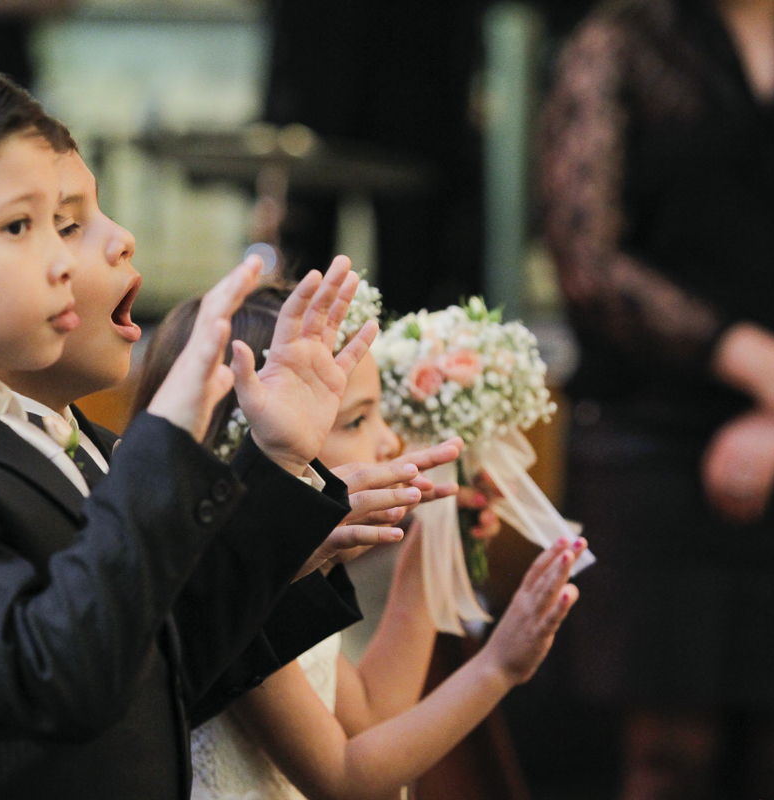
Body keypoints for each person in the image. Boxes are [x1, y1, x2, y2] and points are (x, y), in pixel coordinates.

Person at [0, 47, 402, 799]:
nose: (63, 261)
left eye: (58, 224)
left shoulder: (31, 426)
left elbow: (159, 661)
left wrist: (275, 463)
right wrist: (164, 445)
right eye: (21, 226)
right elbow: (57, 680)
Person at [538, 0, 774, 797]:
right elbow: (586, 257)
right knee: (664, 755)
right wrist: (762, 366)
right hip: (651, 435)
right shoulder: (620, 42)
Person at [0, 148, 469, 721]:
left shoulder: (101, 449)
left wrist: (302, 542)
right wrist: (500, 669)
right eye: (66, 225)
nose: (124, 237)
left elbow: (174, 670)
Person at [134, 283, 586, 800]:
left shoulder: (286, 570)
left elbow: (371, 712)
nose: (390, 440)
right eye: (356, 420)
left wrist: (435, 543)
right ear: (253, 441)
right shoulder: (230, 592)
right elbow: (346, 777)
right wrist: (498, 667)